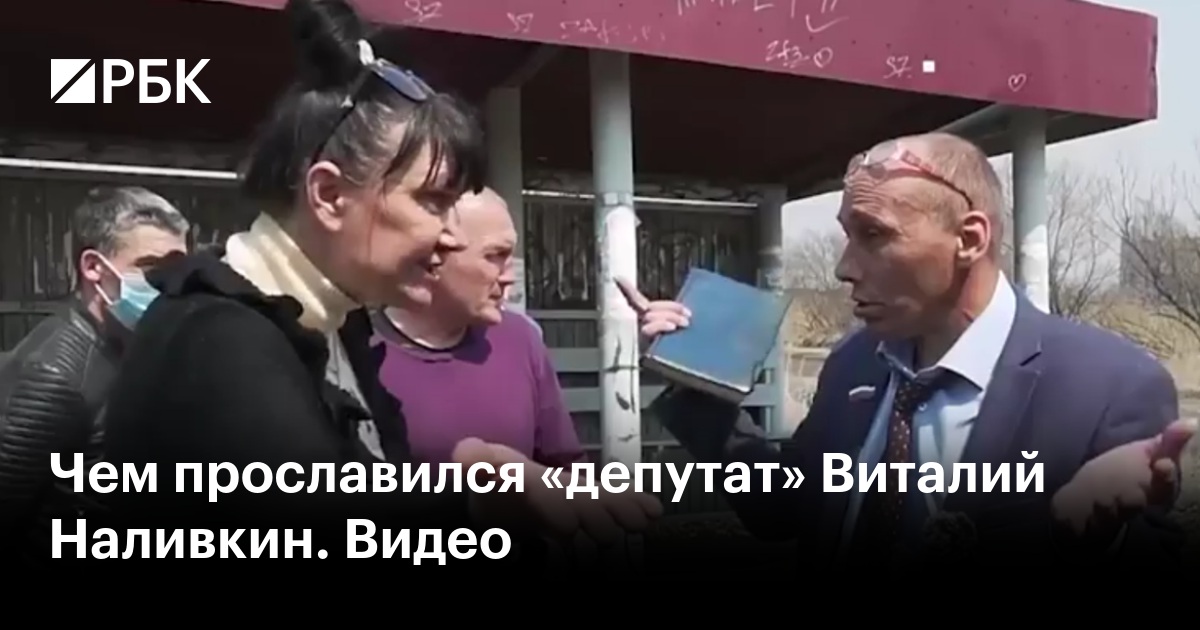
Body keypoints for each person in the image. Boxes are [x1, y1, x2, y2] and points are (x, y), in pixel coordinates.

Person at [97, 0, 659, 572]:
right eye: (432, 201)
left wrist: (475, 472)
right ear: (329, 195)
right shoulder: (219, 346)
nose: (448, 237)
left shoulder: (329, 326)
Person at [625, 131, 1195, 572]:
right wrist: (693, 383)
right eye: (847, 235)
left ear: (969, 239)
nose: (843, 268)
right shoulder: (853, 363)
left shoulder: (1109, 386)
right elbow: (784, 509)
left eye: (873, 235)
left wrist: (1104, 540)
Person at [373, 187, 585, 567]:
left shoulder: (521, 340)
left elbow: (567, 472)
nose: (509, 277)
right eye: (494, 256)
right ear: (433, 256)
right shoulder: (354, 349)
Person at [0, 186, 189, 568]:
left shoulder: (133, 344)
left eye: (177, 270)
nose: (169, 285)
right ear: (93, 268)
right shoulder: (54, 376)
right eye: (150, 267)